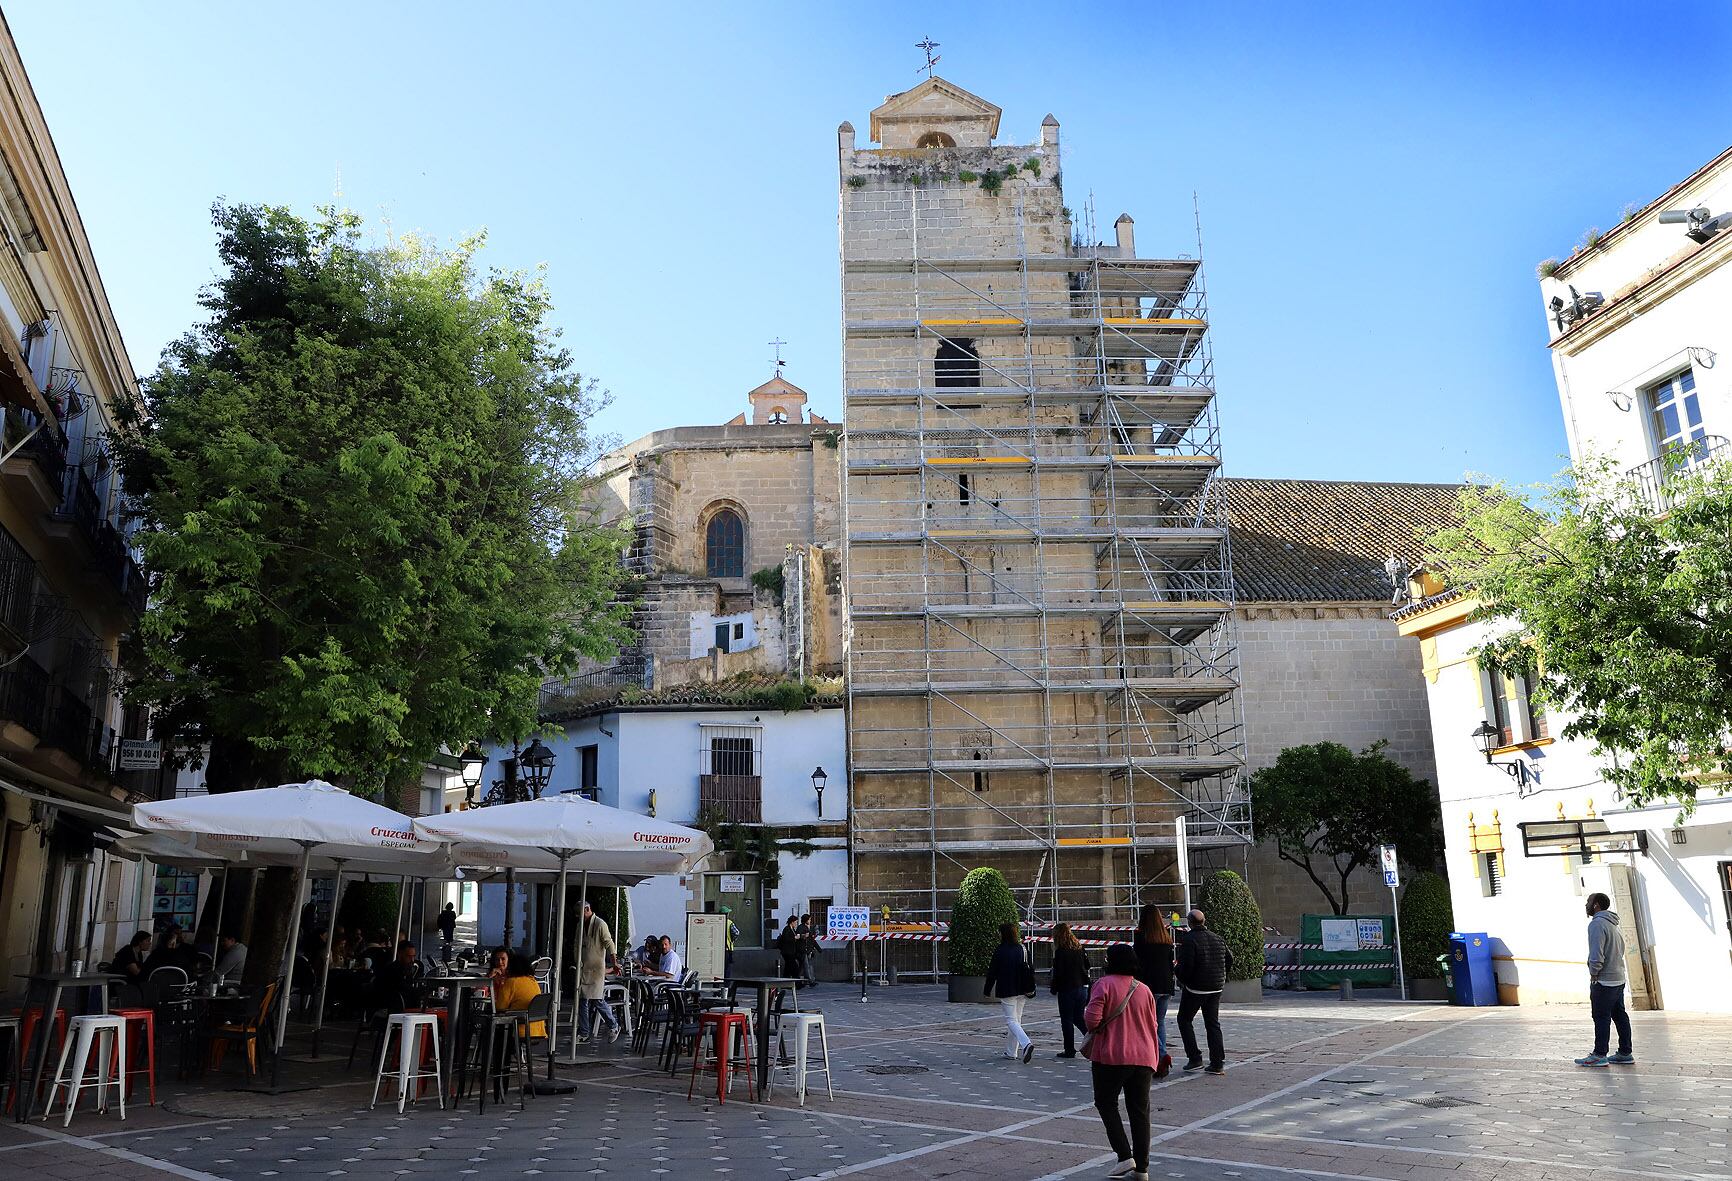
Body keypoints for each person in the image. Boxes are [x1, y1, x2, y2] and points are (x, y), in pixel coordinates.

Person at [1085, 943, 1162, 1181]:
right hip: (1144, 1057)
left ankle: (1124, 1155)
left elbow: (1091, 1021)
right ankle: (1142, 1169)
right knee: (1140, 1112)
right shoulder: (1144, 989)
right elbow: (1154, 1024)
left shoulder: (1103, 985)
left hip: (1112, 1056)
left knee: (1106, 1103)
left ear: (1111, 961)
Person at [1577, 892, 1635, 1066]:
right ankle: (1625, 1052)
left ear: (1596, 905)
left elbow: (1597, 953)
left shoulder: (1597, 924)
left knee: (1601, 1016)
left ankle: (1599, 1054)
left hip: (1604, 980)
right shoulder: (1614, 924)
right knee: (1619, 1015)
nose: (1586, 905)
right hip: (1618, 978)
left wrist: (1594, 973)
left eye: (1588, 901)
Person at [1174, 909, 1230, 1075]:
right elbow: (1229, 958)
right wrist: (1222, 976)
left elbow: (1187, 965)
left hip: (1196, 988)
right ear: (1204, 921)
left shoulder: (1190, 940)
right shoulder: (1217, 938)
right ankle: (1217, 1062)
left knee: (1184, 1019)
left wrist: (1181, 976)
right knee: (1212, 1023)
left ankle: (1195, 1058)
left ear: (1190, 923)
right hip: (1216, 986)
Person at [983, 921, 1036, 1063]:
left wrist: (987, 990)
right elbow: (1031, 968)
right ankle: (1011, 1051)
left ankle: (1026, 1044)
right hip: (1022, 989)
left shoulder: (1000, 950)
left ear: (1003, 934)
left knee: (1011, 1020)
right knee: (1016, 1020)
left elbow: (992, 972)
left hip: (1007, 989)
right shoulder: (1022, 948)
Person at [1131, 904, 1175, 1076]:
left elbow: (1137, 963)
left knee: (1147, 1023)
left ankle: (1161, 1056)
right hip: (1165, 985)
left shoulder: (1141, 937)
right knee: (1160, 1022)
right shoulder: (1165, 938)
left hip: (1148, 986)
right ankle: (1158, 1058)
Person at [575, 900, 621, 1043]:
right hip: (584, 969)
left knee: (597, 1000)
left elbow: (609, 943)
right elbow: (577, 944)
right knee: (583, 1000)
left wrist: (614, 963)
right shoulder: (580, 925)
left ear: (587, 909)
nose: (578, 916)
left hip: (596, 970)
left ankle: (613, 1025)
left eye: (580, 912)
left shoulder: (600, 924)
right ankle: (584, 1032)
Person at [1049, 922, 1091, 1058]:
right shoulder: (1079, 948)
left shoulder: (1060, 952)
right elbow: (1088, 966)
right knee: (1079, 1018)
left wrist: (1054, 988)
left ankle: (1069, 1049)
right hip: (1082, 987)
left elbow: (1058, 973)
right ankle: (1093, 1039)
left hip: (1067, 988)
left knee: (1066, 1019)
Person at [493, 951, 547, 1039]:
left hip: (520, 1030)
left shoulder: (511, 982)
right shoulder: (532, 981)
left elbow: (500, 1007)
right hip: (537, 1031)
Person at [368, 940, 423, 1012]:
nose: (412, 960)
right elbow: (401, 988)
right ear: (400, 955)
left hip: (399, 1004)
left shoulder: (406, 969)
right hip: (388, 1006)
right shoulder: (392, 970)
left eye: (413, 956)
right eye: (409, 956)